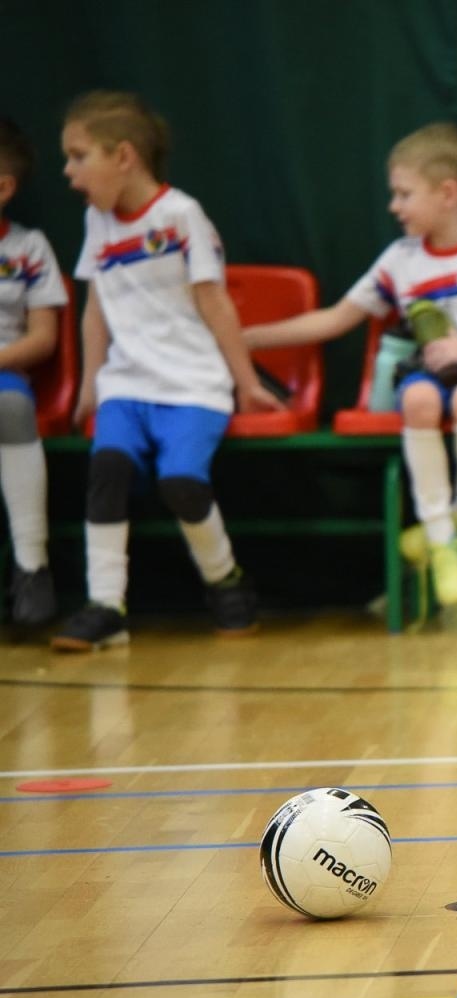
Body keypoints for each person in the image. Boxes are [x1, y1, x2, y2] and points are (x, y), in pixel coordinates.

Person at [243, 123, 457, 607]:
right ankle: (439, 534)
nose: (394, 206)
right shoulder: (400, 259)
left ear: (448, 193)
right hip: (430, 376)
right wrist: (242, 339)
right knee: (416, 397)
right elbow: (334, 320)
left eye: (404, 194)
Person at [54, 92, 283, 651]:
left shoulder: (180, 215)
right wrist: (88, 385)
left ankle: (224, 579)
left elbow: (216, 304)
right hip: (125, 384)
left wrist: (247, 383)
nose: (69, 172)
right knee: (107, 467)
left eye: (79, 156)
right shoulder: (96, 221)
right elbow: (96, 309)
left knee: (180, 481)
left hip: (192, 383)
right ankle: (106, 605)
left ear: (124, 156)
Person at [0, 117, 67, 626]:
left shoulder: (29, 248)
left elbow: (43, 339)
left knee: (11, 405)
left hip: (4, 376)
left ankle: (31, 566)